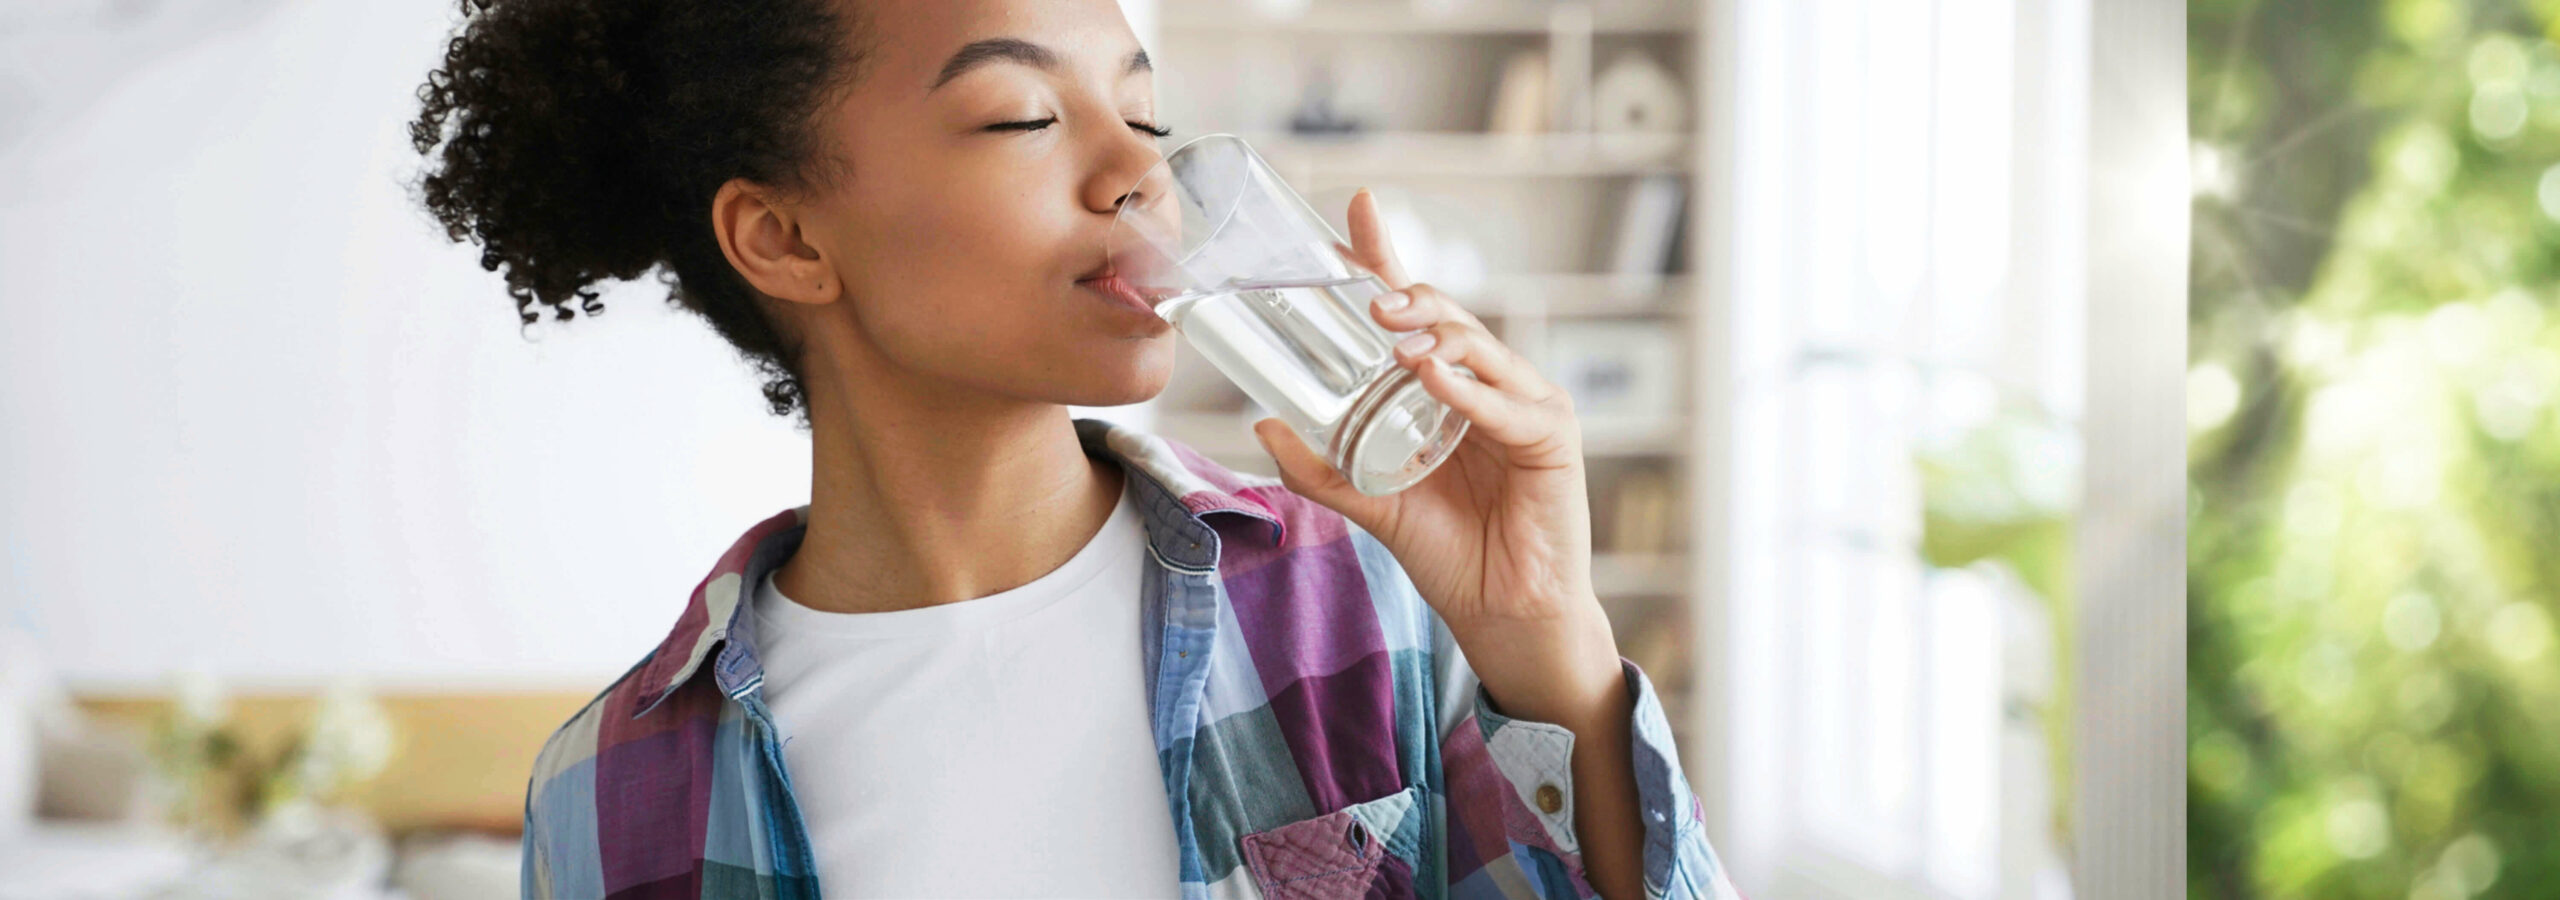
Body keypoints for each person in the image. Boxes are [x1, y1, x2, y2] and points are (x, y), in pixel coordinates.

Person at [408, 0, 1745, 897]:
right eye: (1023, 120)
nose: (1137, 175)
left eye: (1144, 118)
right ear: (788, 238)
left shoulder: (1355, 606)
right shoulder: (612, 792)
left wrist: (1544, 638)